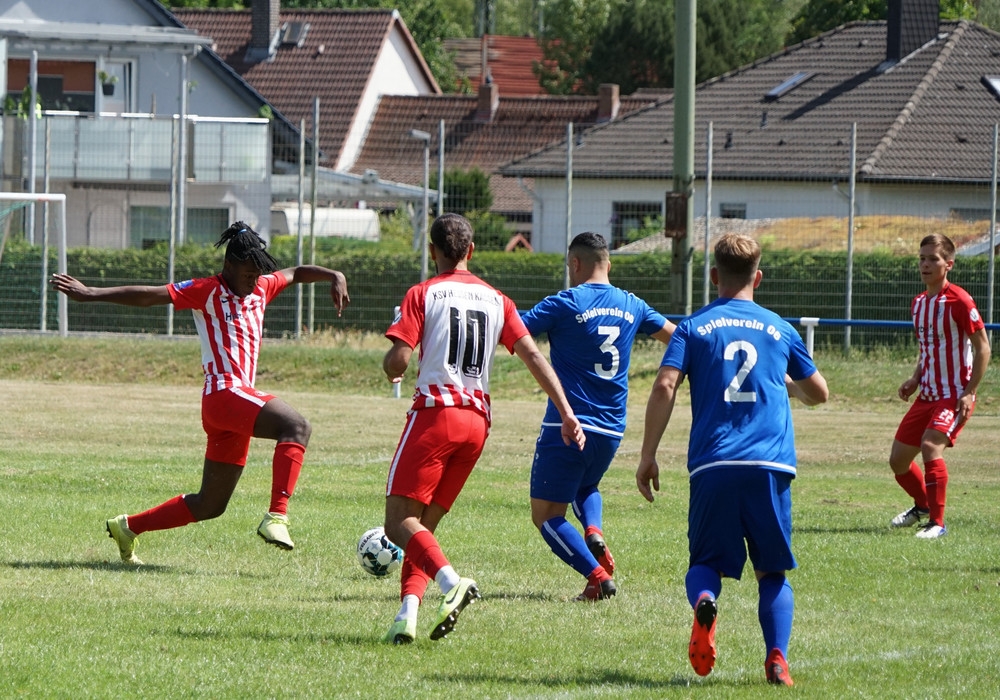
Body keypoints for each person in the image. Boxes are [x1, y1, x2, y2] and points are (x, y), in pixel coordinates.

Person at [50, 222, 349, 564]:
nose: (253, 281)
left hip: (235, 406)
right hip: (224, 393)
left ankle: (127, 527)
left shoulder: (262, 288)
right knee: (297, 426)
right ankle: (277, 516)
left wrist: (334, 274)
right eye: (248, 274)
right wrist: (91, 293)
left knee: (210, 504)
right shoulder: (206, 290)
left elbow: (295, 273)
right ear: (228, 266)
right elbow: (149, 295)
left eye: (257, 274)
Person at [381, 213, 585, 644]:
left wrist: (391, 363)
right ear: (471, 251)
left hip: (437, 416)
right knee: (422, 528)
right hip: (476, 424)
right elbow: (533, 356)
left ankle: (452, 583)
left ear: (432, 251)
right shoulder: (498, 300)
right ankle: (406, 616)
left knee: (398, 523)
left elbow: (399, 359)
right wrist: (566, 411)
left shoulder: (423, 292)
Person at [636, 233, 828, 686]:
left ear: (713, 276)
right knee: (772, 570)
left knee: (706, 561)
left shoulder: (693, 327)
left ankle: (705, 600)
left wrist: (648, 455)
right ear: (757, 278)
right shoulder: (780, 328)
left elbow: (665, 385)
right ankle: (777, 658)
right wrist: (786, 385)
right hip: (770, 465)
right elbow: (819, 392)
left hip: (714, 464)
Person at [520, 232, 674, 601]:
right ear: (609, 264)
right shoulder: (633, 304)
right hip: (612, 428)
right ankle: (593, 530)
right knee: (585, 486)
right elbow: (677, 336)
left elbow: (514, 333)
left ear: (575, 263)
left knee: (546, 515)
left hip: (568, 425)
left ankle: (597, 577)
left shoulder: (565, 302)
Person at [888, 233, 990, 539]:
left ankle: (937, 523)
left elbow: (983, 348)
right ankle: (922, 506)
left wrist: (969, 392)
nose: (925, 264)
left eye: (933, 259)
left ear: (949, 264)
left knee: (930, 446)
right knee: (898, 461)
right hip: (927, 394)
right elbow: (929, 348)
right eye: (922, 258)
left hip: (954, 395)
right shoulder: (919, 303)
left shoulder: (960, 300)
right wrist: (915, 378)